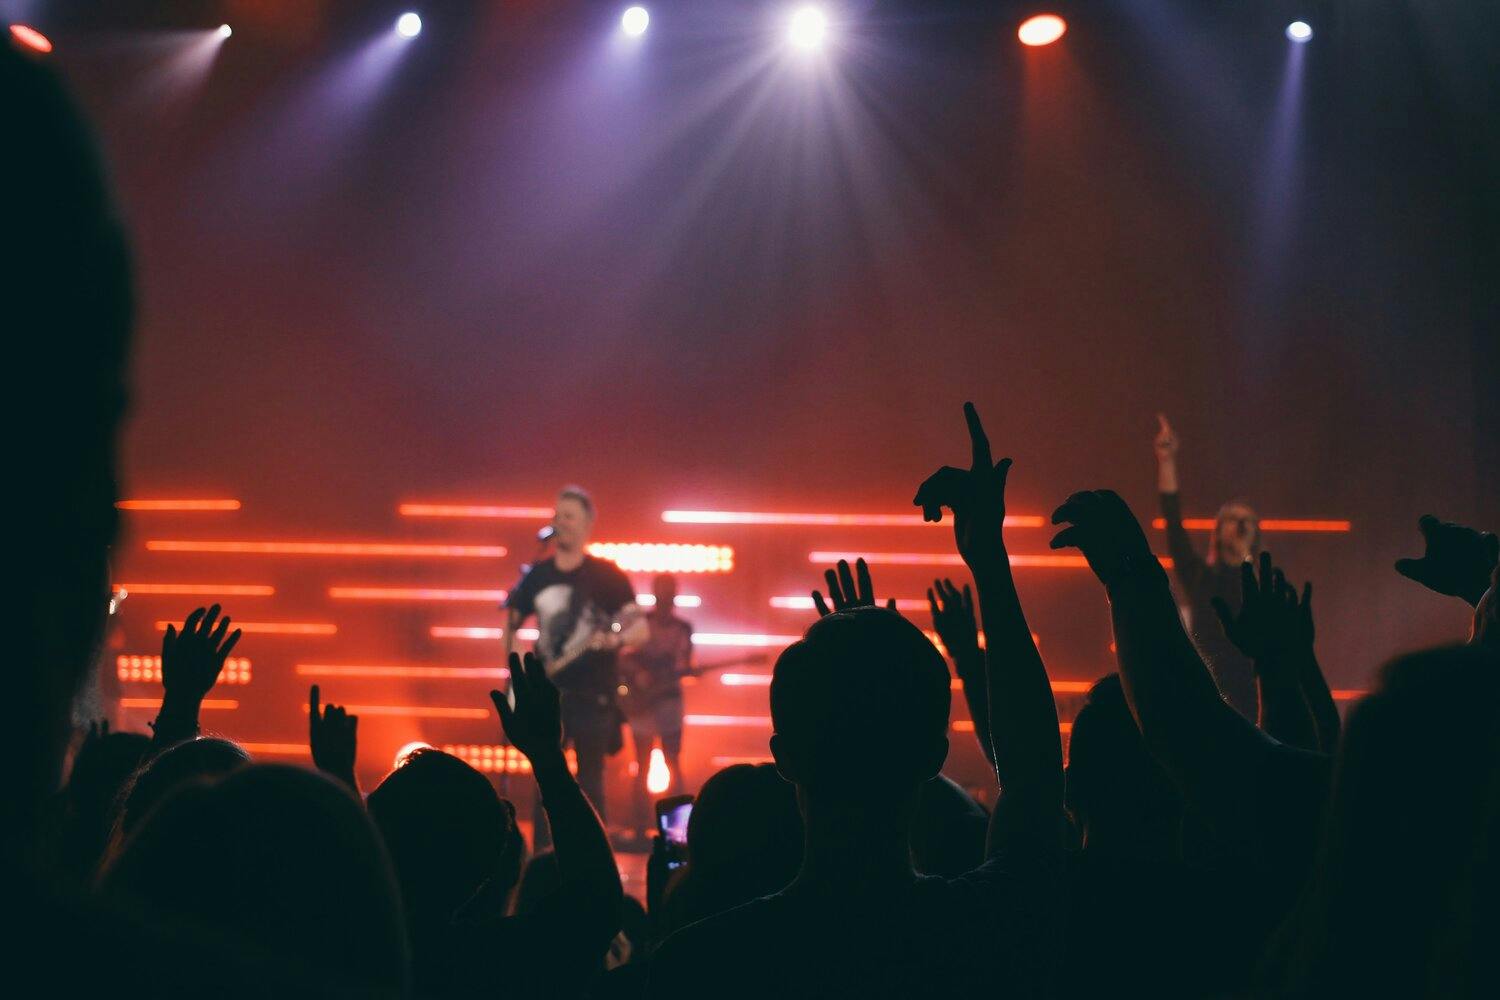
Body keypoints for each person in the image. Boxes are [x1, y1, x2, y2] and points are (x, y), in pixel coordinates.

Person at [650, 404, 1066, 998]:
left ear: (784, 758)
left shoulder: (697, 965)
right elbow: (1034, 781)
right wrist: (989, 564)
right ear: (933, 756)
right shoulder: (986, 928)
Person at [505, 486, 646, 841]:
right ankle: (542, 862)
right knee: (545, 782)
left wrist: (615, 639)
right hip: (548, 694)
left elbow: (639, 628)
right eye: (557, 515)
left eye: (569, 516)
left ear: (587, 524)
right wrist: (516, 670)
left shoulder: (605, 576)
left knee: (590, 782)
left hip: (592, 695)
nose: (560, 522)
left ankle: (591, 861)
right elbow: (510, 624)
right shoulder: (537, 576)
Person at [1153, 414, 1261, 718]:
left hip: (1250, 697)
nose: (1240, 525)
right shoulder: (1199, 577)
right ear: (1217, 528)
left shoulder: (1261, 582)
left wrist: (1246, 561)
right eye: (1232, 518)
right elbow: (1173, 524)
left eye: (1247, 521)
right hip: (1206, 692)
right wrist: (1167, 460)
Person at [619, 573, 694, 835]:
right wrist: (640, 674)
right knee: (642, 767)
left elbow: (685, 664)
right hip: (643, 704)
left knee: (673, 763)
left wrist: (683, 671)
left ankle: (676, 831)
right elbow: (622, 657)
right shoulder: (642, 625)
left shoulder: (683, 629)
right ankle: (640, 827)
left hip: (669, 702)